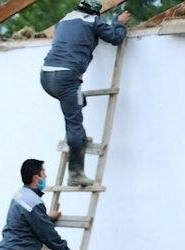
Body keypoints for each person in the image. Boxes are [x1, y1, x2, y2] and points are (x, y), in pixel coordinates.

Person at [41, 0, 130, 186]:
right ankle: (75, 174)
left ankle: (77, 139)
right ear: (96, 12)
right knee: (74, 123)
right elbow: (115, 38)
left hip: (46, 76)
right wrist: (120, 23)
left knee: (77, 103)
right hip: (65, 77)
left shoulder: (64, 20)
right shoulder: (92, 21)